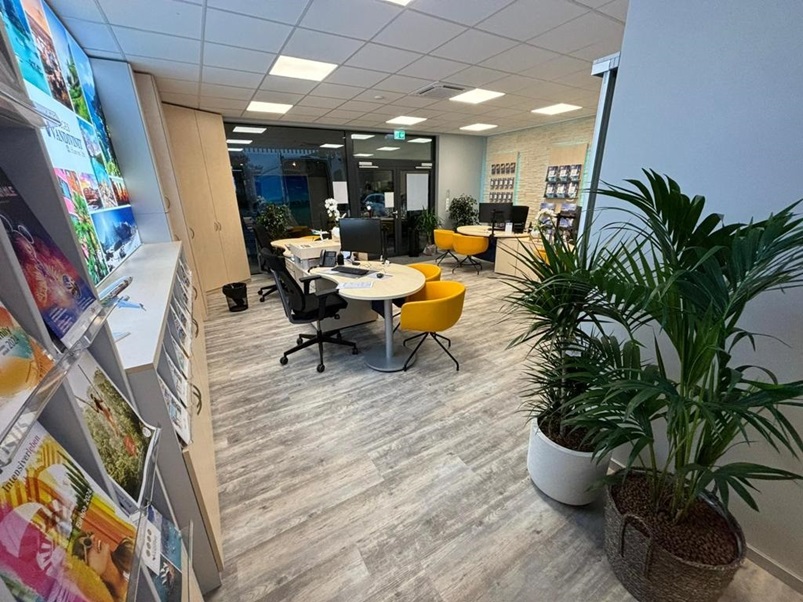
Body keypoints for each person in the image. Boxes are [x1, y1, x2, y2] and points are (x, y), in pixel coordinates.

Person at [72, 532, 134, 602]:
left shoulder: (131, 552)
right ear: (87, 565)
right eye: (87, 543)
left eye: (91, 534)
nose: (93, 537)